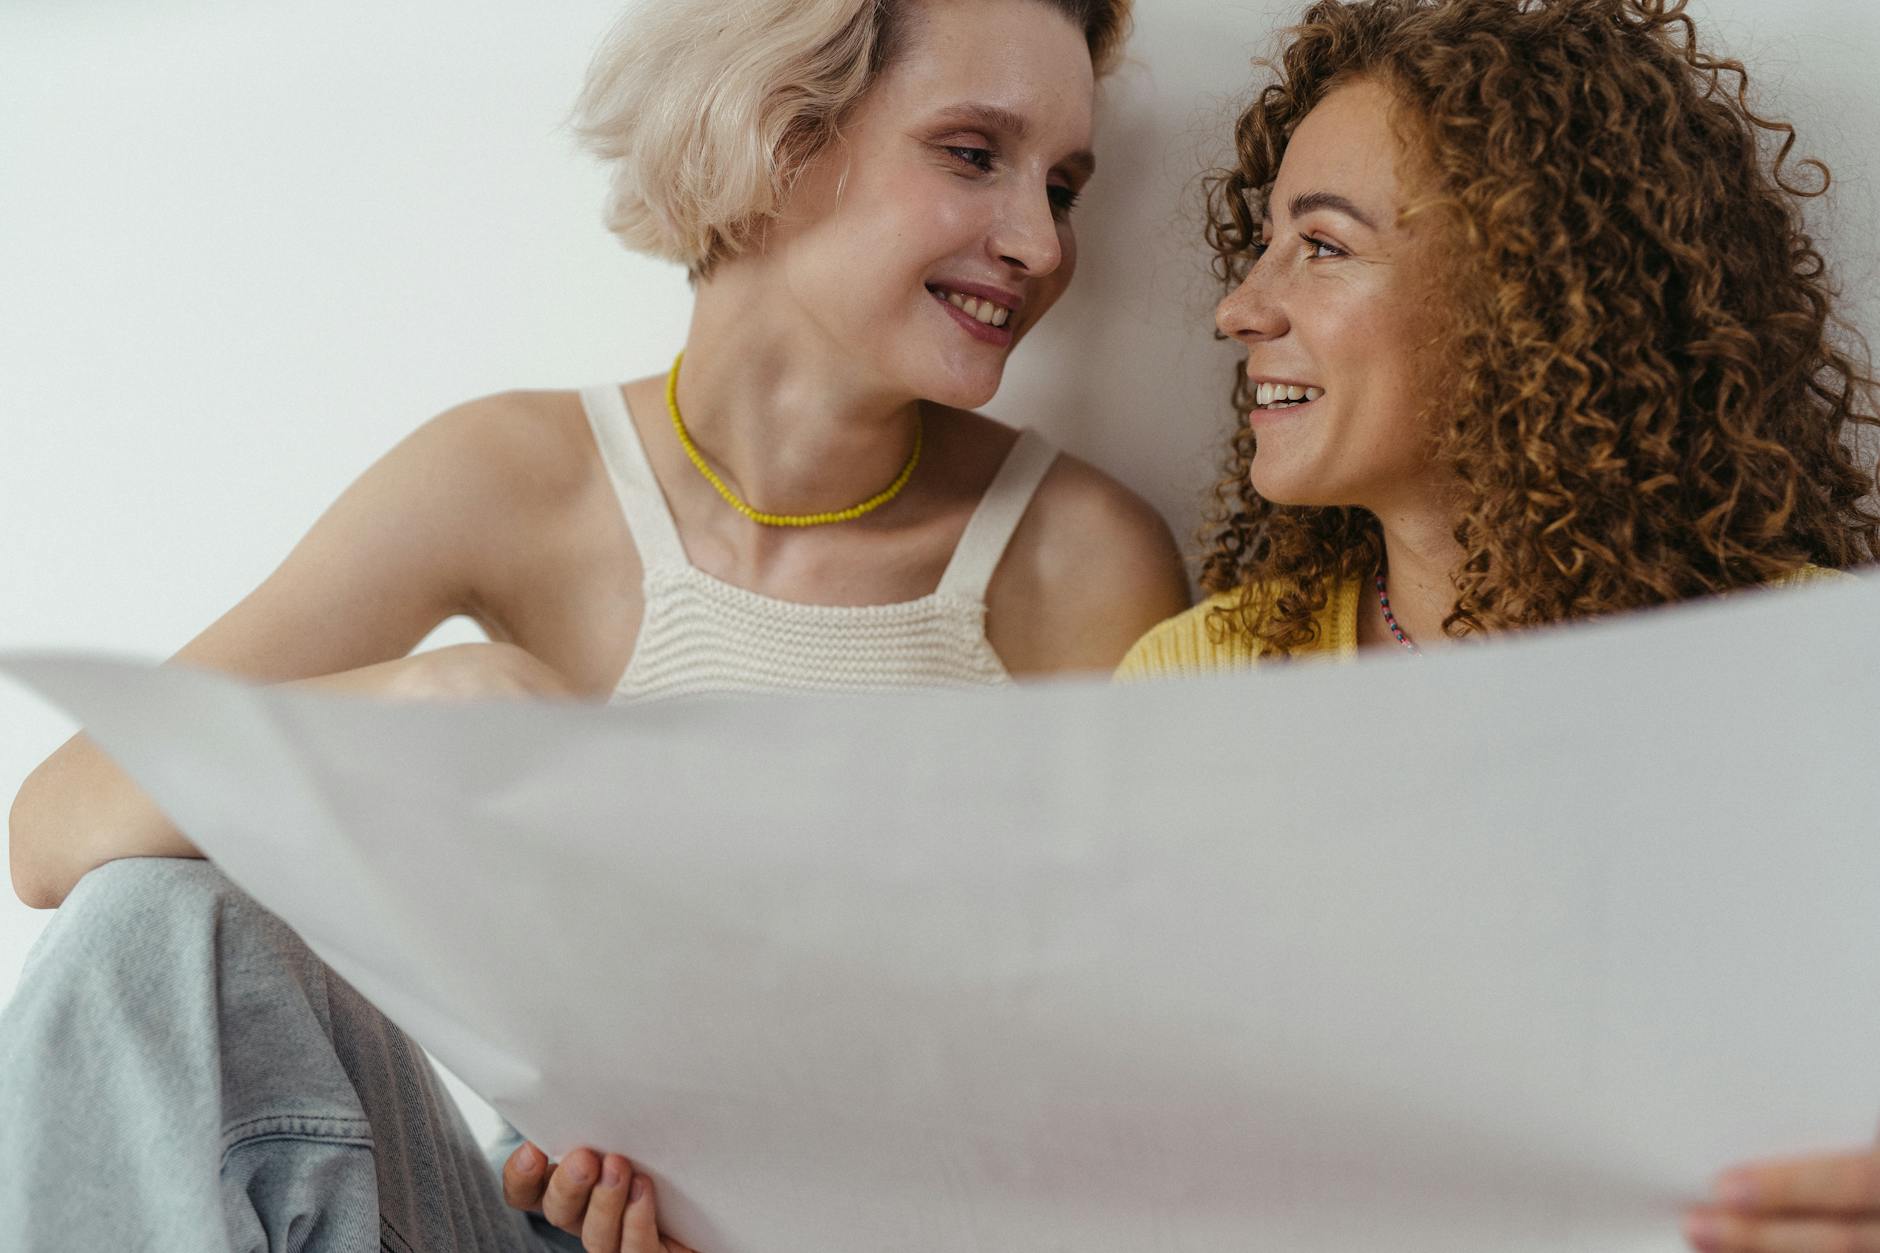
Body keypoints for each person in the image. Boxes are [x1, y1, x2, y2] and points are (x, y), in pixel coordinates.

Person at [1, 0, 1184, 1249]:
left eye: (1060, 186)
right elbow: (54, 827)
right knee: (162, 929)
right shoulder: (520, 478)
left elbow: (1142, 1094)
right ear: (779, 131)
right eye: (971, 154)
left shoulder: (1073, 558)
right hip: (547, 1224)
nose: (1038, 243)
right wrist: (413, 700)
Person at [1108, 1, 1878, 1251]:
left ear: (1528, 285)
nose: (1237, 310)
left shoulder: (1827, 685)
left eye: (1319, 246)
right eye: (1260, 248)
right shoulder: (1195, 686)